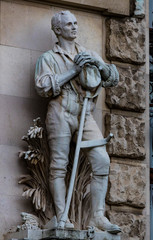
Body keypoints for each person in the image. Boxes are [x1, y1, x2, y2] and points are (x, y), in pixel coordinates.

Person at [35, 10, 121, 233]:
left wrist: (99, 65)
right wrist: (74, 70)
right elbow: (43, 87)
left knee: (102, 160)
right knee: (58, 166)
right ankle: (63, 218)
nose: (74, 27)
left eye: (75, 23)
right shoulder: (49, 58)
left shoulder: (88, 53)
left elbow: (113, 78)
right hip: (60, 112)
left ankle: (98, 217)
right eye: (69, 24)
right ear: (58, 30)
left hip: (85, 113)